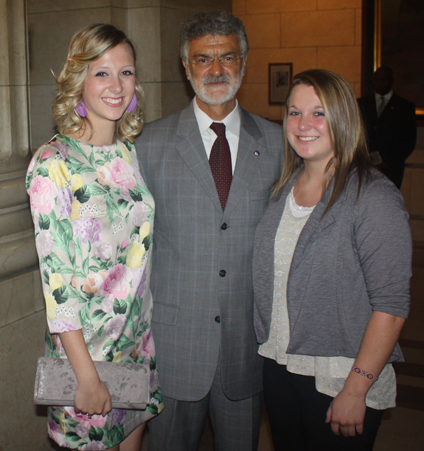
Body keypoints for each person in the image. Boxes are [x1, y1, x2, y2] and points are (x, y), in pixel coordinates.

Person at [136, 10, 283, 451]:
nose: (216, 70)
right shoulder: (148, 144)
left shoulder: (278, 144)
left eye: (228, 57)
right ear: (186, 67)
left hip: (247, 348)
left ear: (244, 61)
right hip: (175, 346)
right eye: (203, 60)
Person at [253, 69, 412, 450]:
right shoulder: (283, 190)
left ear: (342, 117)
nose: (303, 124)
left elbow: (390, 308)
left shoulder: (372, 198)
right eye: (294, 112)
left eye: (318, 113)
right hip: (280, 365)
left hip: (337, 374)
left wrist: (356, 389)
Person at [26, 23, 163, 451]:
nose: (116, 85)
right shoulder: (53, 164)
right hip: (86, 358)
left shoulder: (131, 151)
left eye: (126, 72)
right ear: (78, 79)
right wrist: (86, 376)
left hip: (137, 348)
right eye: (101, 72)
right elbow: (58, 284)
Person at [358, 66, 417, 189]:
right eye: (376, 80)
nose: (379, 83)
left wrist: (388, 161)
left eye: (383, 80)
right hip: (365, 166)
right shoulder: (361, 104)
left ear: (391, 81)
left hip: (391, 169)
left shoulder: (405, 107)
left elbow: (409, 141)